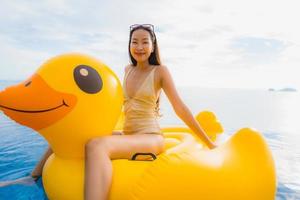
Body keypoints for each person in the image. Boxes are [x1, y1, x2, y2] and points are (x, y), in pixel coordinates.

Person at [31, 24, 216, 200]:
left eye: (145, 42)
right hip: (128, 134)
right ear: (129, 45)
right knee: (75, 134)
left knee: (97, 145)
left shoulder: (160, 71)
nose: (139, 46)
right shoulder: (127, 70)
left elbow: (180, 108)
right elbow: (116, 103)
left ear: (153, 46)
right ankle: (33, 176)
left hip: (150, 137)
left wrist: (209, 143)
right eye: (134, 42)